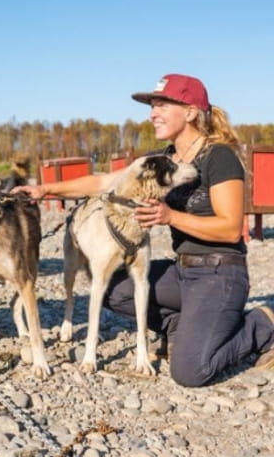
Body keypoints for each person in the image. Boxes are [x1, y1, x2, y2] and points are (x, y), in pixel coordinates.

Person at [15, 73, 274, 386]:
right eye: (152, 105)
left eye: (162, 105)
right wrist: (46, 190)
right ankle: (180, 325)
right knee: (112, 287)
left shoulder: (219, 157)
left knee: (190, 372)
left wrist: (170, 217)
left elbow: (231, 229)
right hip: (183, 272)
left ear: (190, 112)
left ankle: (261, 324)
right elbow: (100, 182)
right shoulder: (164, 159)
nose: (153, 113)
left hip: (221, 274)